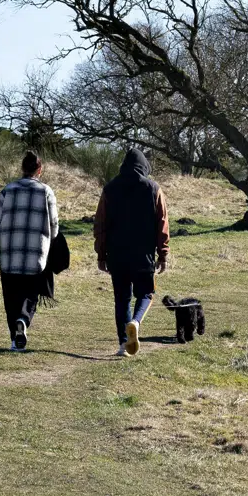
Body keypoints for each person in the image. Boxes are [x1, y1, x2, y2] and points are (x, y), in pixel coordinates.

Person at [0, 150, 60, 351]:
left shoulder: (7, 190)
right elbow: (55, 225)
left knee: (11, 297)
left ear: (22, 168)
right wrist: (52, 240)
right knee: (30, 294)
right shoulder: (46, 191)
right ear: (39, 170)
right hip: (35, 255)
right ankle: (23, 320)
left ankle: (15, 340)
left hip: (8, 254)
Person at [93, 148, 169, 357]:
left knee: (122, 299)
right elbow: (162, 224)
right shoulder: (153, 189)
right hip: (143, 255)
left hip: (116, 255)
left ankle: (123, 344)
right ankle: (135, 322)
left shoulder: (109, 189)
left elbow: (100, 223)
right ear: (144, 166)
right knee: (146, 293)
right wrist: (163, 254)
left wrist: (101, 254)